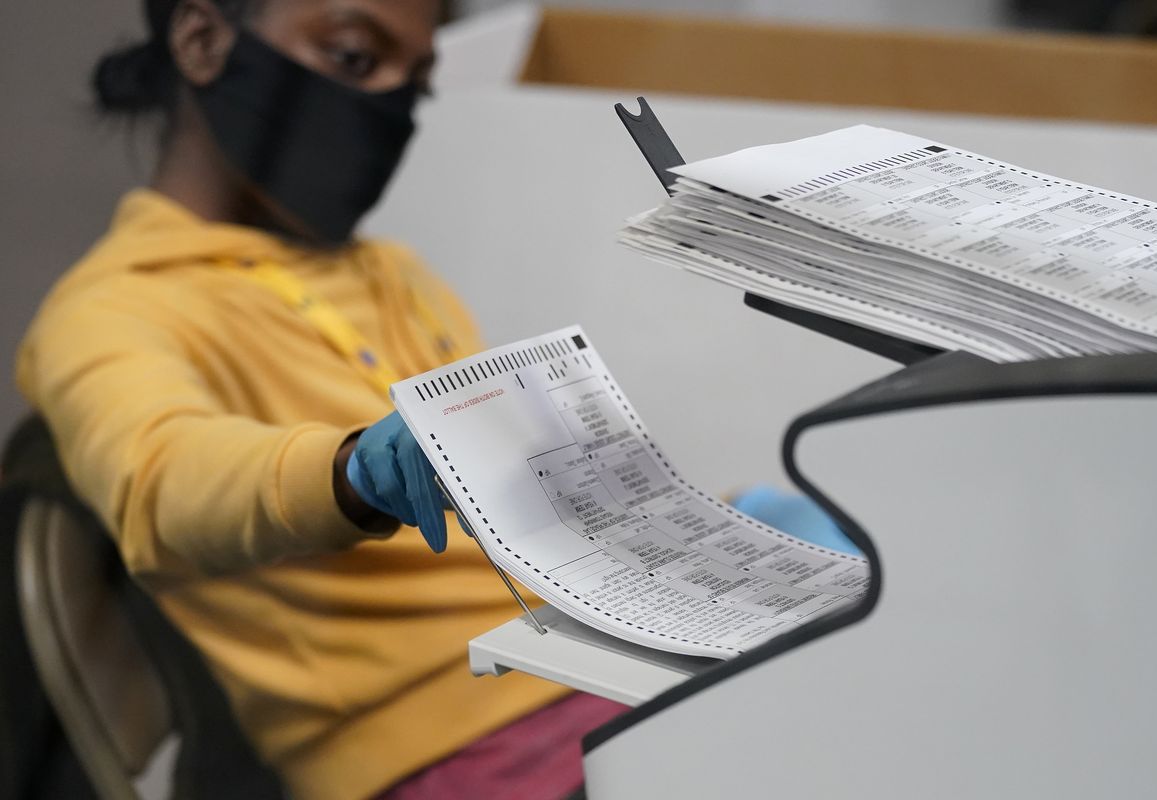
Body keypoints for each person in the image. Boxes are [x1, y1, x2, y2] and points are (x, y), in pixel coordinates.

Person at [16, 0, 857, 797]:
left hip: (601, 663)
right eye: (353, 57)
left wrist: (722, 530)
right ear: (203, 41)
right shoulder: (106, 313)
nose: (387, 108)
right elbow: (164, 484)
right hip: (448, 753)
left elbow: (538, 502)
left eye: (414, 84)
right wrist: (348, 472)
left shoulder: (392, 273)